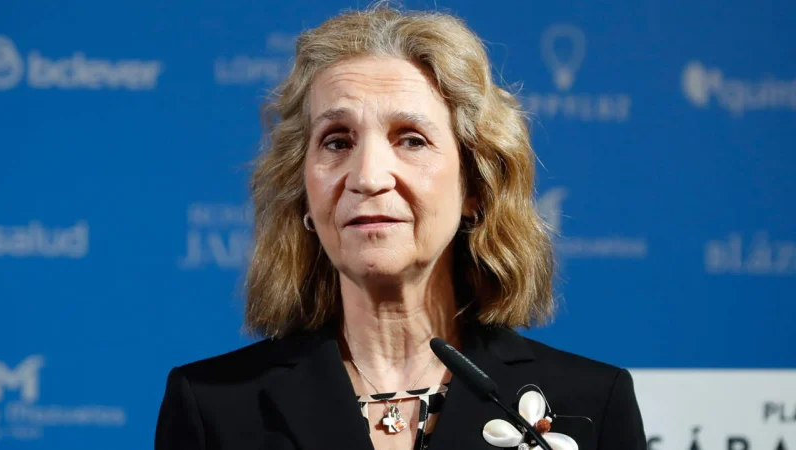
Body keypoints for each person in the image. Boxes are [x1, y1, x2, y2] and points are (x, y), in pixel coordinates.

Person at [154, 5, 646, 450]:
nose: (368, 177)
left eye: (411, 140)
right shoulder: (214, 408)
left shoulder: (590, 405)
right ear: (302, 191)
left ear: (475, 186)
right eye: (337, 141)